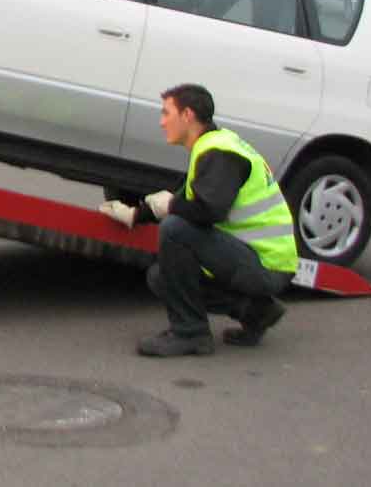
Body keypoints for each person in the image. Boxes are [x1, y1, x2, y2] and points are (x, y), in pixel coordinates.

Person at [99, 83, 297, 357]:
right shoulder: (213, 144)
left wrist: (171, 206)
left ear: (187, 115)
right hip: (254, 257)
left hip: (266, 263)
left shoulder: (219, 153)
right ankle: (257, 312)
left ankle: (190, 334)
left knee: (175, 229)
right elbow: (183, 198)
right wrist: (135, 214)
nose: (161, 122)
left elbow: (209, 210)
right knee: (162, 277)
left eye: (167, 113)